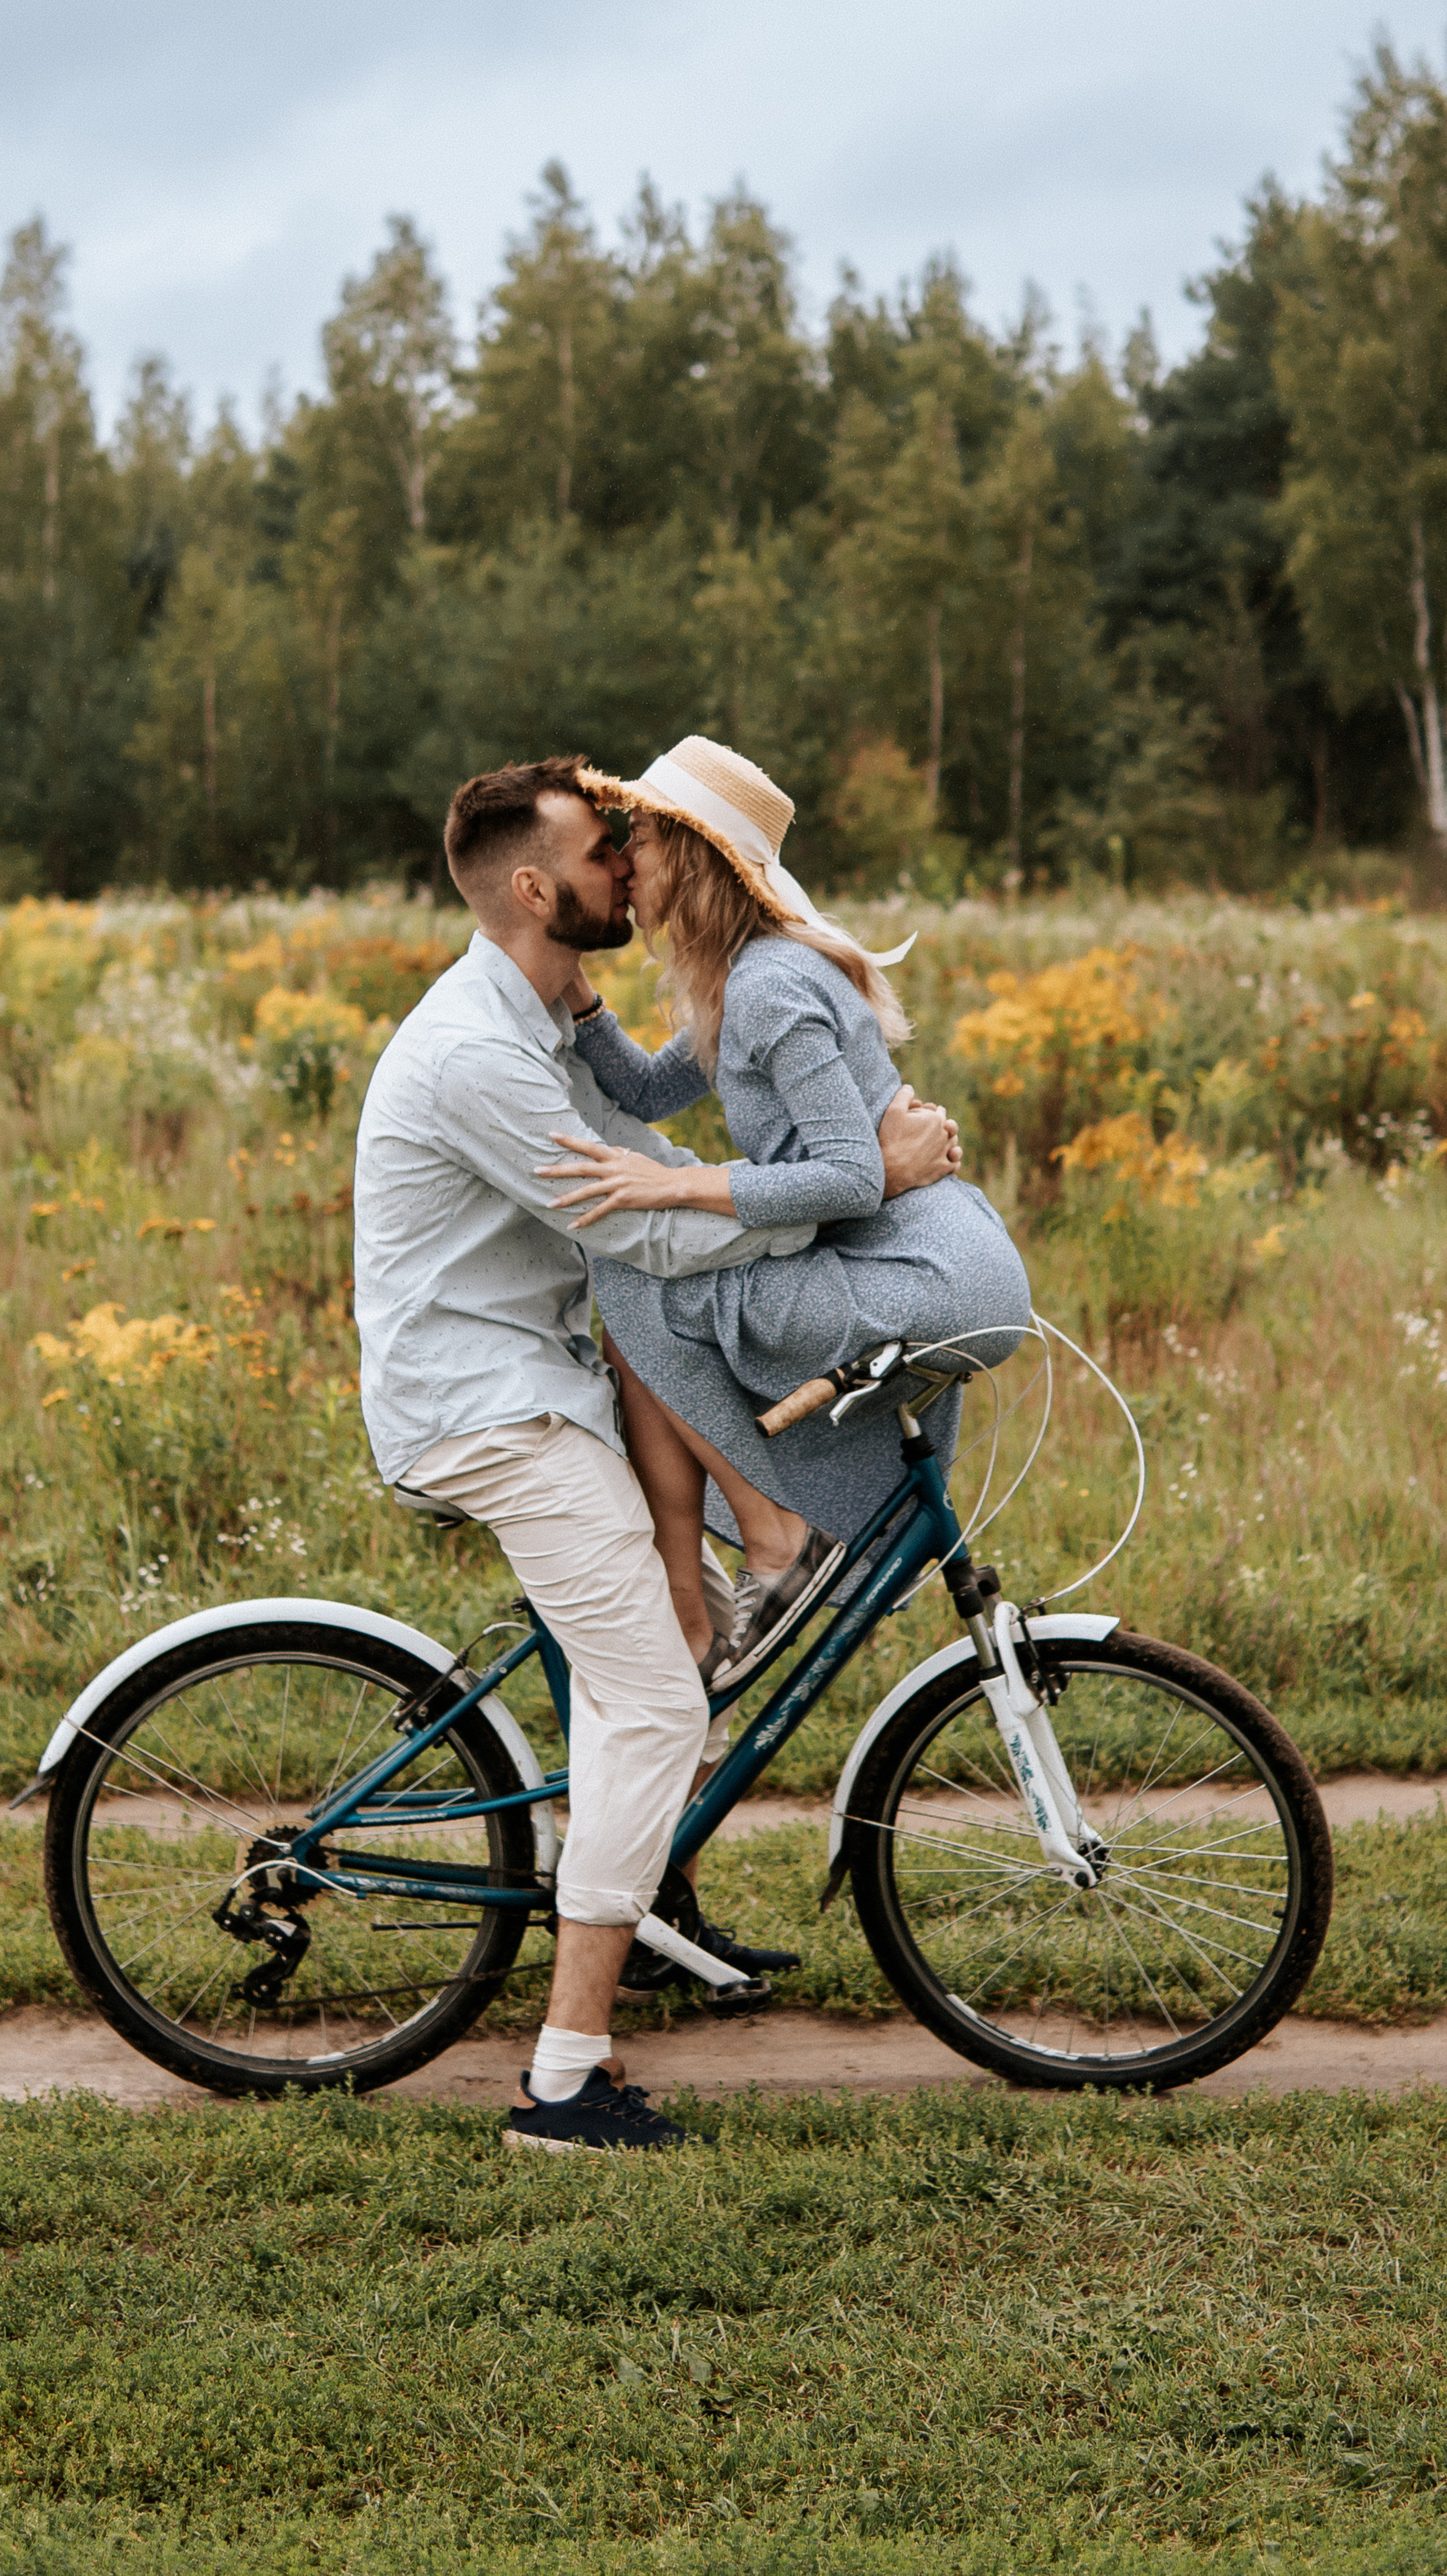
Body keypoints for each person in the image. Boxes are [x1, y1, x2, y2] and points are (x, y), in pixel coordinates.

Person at [352, 754, 957, 2156]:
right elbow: (642, 1225)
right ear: (531, 886)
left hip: (540, 1376)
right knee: (655, 1710)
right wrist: (867, 1195)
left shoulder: (539, 1013)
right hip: (489, 1412)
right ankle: (564, 2083)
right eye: (599, 849)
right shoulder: (479, 1054)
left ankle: (647, 1900)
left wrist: (810, 1175)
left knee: (664, 1659)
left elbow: (644, 1136)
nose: (626, 865)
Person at [545, 735, 1032, 1686]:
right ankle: (713, 1590)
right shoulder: (747, 977)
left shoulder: (768, 988)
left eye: (635, 840)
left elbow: (849, 1177)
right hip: (939, 1254)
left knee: (640, 1290)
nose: (622, 862)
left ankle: (766, 1552)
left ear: (689, 856)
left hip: (922, 1275)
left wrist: (672, 1185)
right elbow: (647, 1093)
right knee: (650, 1302)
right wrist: (572, 983)